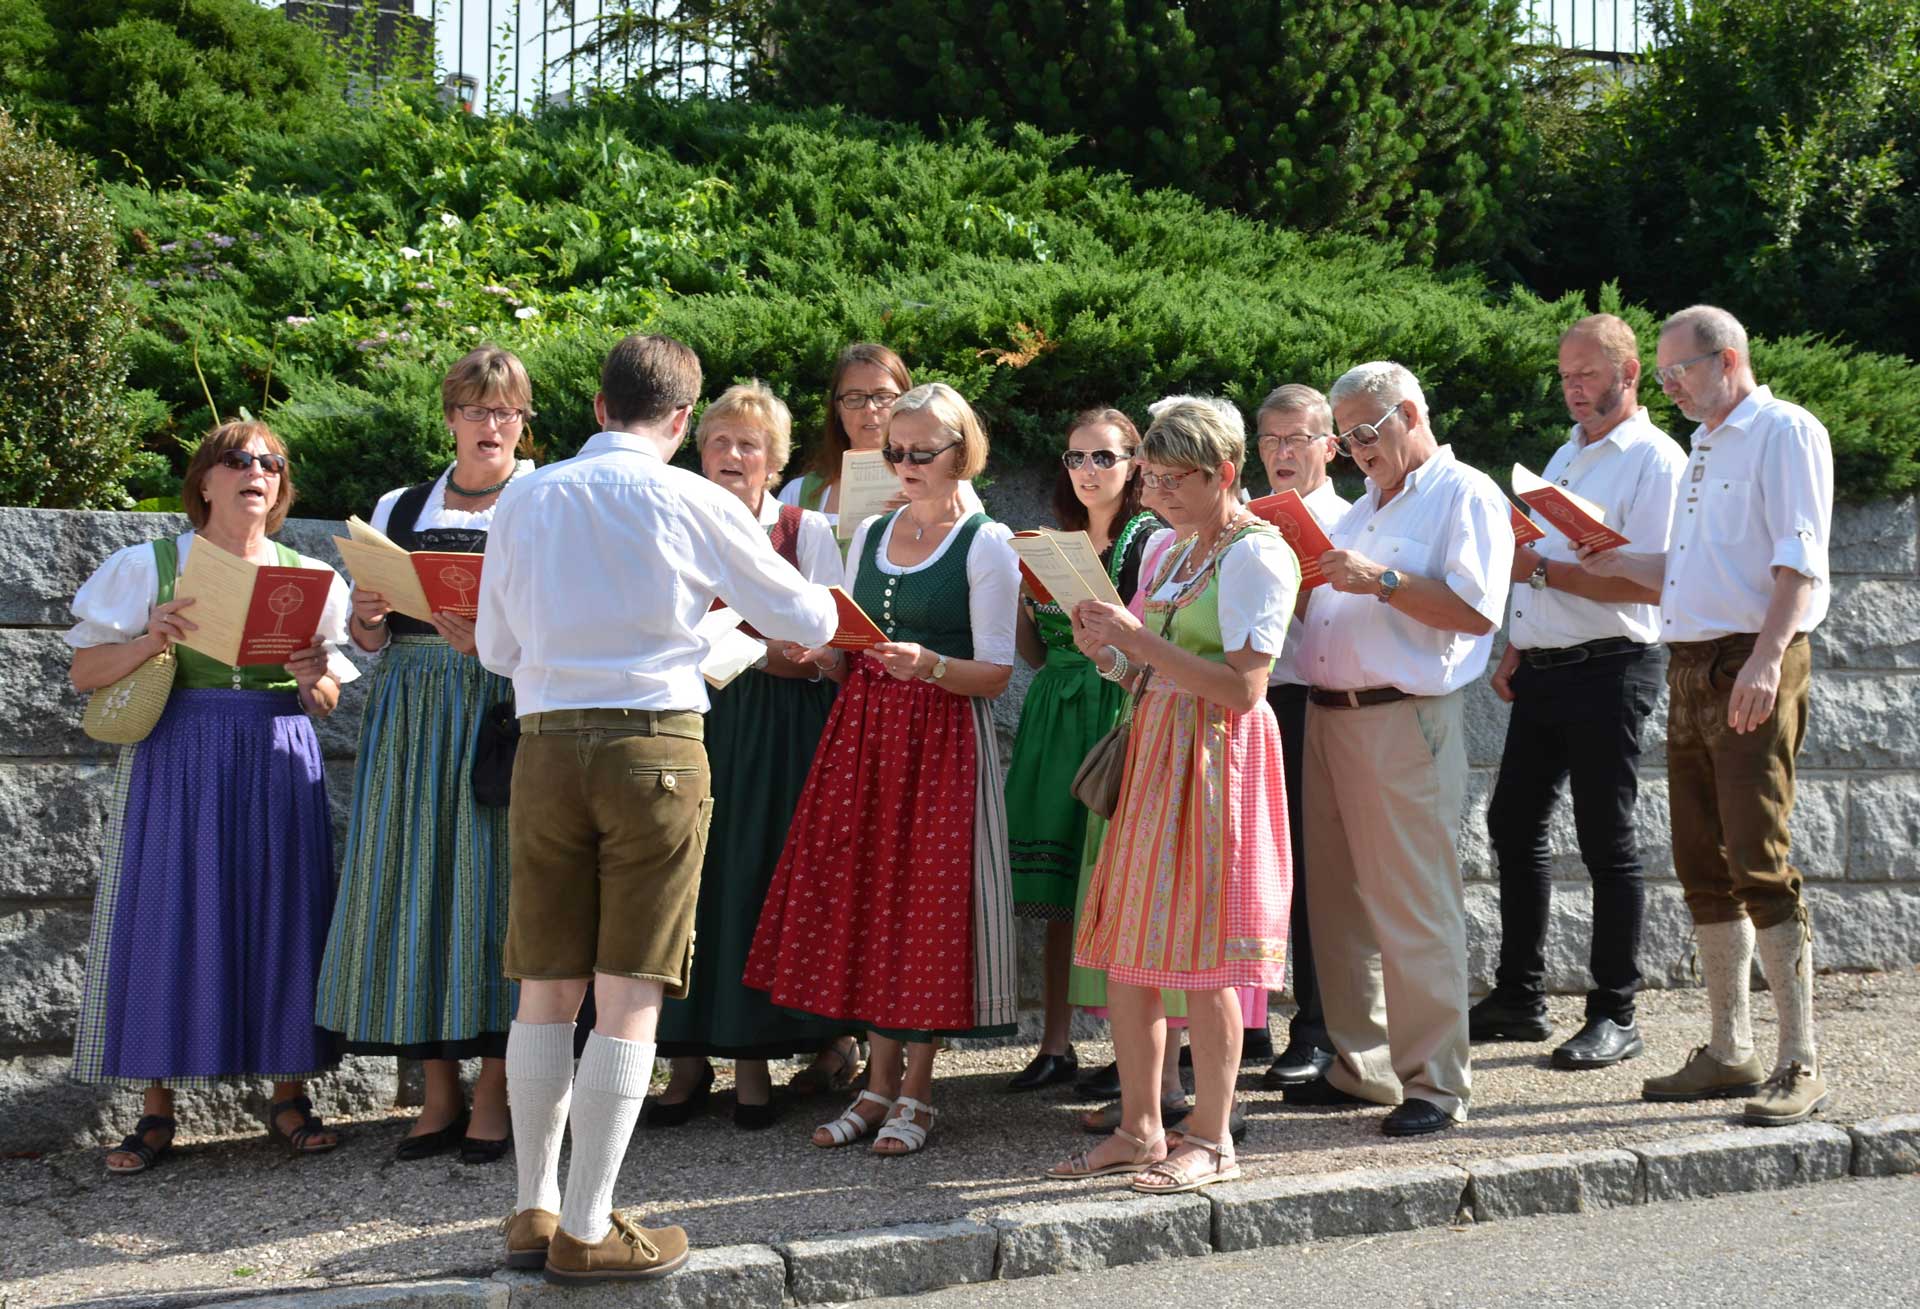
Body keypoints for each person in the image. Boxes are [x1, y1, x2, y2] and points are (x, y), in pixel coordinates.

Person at [478, 335, 838, 1284]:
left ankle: (532, 1206)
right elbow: (806, 620)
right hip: (656, 745)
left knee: (546, 985)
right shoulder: (696, 496)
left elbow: (495, 647)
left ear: (598, 406)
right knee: (630, 987)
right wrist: (715, 630)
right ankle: (589, 1225)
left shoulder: (526, 493)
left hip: (548, 745)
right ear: (682, 420)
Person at [66, 419, 358, 1174]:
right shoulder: (150, 565)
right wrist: (149, 639)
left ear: (280, 485)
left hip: (275, 752)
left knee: (283, 909)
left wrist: (308, 676)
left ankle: (289, 1096)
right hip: (180, 750)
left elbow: (326, 697)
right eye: (236, 459)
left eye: (270, 461)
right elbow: (83, 674)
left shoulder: (308, 575)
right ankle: (156, 1112)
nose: (254, 469)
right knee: (167, 907)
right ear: (205, 480)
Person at [745, 382, 1021, 1158]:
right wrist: (828, 657)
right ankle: (874, 1083)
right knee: (868, 896)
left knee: (925, 904)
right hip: (863, 732)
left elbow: (996, 672)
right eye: (894, 451)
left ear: (961, 452)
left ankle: (919, 1091)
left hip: (939, 738)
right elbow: (850, 649)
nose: (903, 464)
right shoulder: (868, 534)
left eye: (918, 452)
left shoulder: (986, 542)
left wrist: (930, 664)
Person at [1581, 305, 1835, 1125]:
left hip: (1748, 656)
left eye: (1678, 370)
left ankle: (1799, 1058)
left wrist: (1765, 660)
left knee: (1757, 850)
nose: (1669, 386)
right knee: (1699, 855)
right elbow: (1688, 566)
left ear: (1727, 360)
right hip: (1691, 660)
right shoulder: (1703, 445)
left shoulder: (1784, 431)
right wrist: (1600, 554)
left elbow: (1798, 559)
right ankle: (1731, 1047)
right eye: (1661, 373)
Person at [1052, 398, 1297, 1193]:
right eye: (1149, 478)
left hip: (1218, 758)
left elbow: (1244, 688)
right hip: (1156, 746)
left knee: (1209, 955)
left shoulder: (1259, 554)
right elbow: (1148, 669)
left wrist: (1136, 639)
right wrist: (1109, 653)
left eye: (1170, 481)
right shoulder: (1167, 548)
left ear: (1224, 473)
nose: (1153, 495)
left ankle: (1214, 1135)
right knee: (1130, 948)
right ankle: (1140, 1126)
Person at [312, 347, 535, 1162]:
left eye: (507, 410)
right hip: (409, 716)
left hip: (495, 709)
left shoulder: (539, 499)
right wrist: (370, 612)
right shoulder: (400, 504)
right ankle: (438, 1091)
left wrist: (494, 639)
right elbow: (369, 641)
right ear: (449, 417)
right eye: (477, 409)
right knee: (417, 884)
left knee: (496, 892)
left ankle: (497, 1090)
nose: (492, 424)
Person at [1287, 361, 1513, 1137]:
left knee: (1414, 904)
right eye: (1344, 435)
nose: (1353, 448)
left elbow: (1478, 611)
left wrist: (1379, 579)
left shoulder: (1466, 494)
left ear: (1410, 414)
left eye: (1364, 431)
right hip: (1327, 713)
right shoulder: (1359, 510)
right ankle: (1363, 1066)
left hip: (1400, 717)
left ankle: (1437, 1084)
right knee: (1338, 903)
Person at [1473, 315, 1685, 1070]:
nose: (1573, 388)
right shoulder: (1566, 452)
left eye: (1587, 374)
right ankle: (1520, 998)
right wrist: (1516, 642)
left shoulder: (1657, 460)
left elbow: (1645, 575)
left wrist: (1532, 572)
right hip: (1546, 664)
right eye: (1565, 375)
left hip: (1614, 661)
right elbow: (1547, 553)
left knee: (1606, 836)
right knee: (1513, 822)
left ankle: (1615, 1012)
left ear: (1628, 373)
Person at [650, 382, 855, 1129]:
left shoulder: (805, 530)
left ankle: (754, 1060)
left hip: (775, 724)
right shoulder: (673, 515)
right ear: (698, 451)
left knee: (756, 875)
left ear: (773, 460)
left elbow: (838, 641)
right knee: (687, 879)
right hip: (691, 713)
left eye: (749, 444)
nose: (733, 455)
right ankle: (684, 1058)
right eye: (719, 442)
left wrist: (780, 653)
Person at [1002, 408, 1159, 1093]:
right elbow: (1034, 651)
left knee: (1118, 880)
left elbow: (1149, 640)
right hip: (1053, 710)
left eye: (1103, 457)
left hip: (1112, 706)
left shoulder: (1146, 540)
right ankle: (1056, 1041)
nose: (1088, 471)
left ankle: (1138, 1051)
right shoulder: (1058, 542)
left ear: (1134, 462)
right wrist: (1020, 588)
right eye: (1075, 458)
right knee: (1061, 890)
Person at [1251, 384, 1349, 1089]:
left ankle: (1316, 1027)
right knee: (1251, 868)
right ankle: (1246, 1019)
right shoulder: (1248, 522)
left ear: (1329, 446)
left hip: (1314, 698)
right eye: (1270, 441)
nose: (1283, 454)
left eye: (1298, 439)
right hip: (1253, 699)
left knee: (1314, 872)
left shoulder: (1353, 518)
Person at [778, 342, 984, 533]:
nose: (870, 409)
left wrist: (926, 516)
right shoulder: (798, 494)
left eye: (883, 396)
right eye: (855, 398)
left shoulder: (950, 487)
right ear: (837, 408)